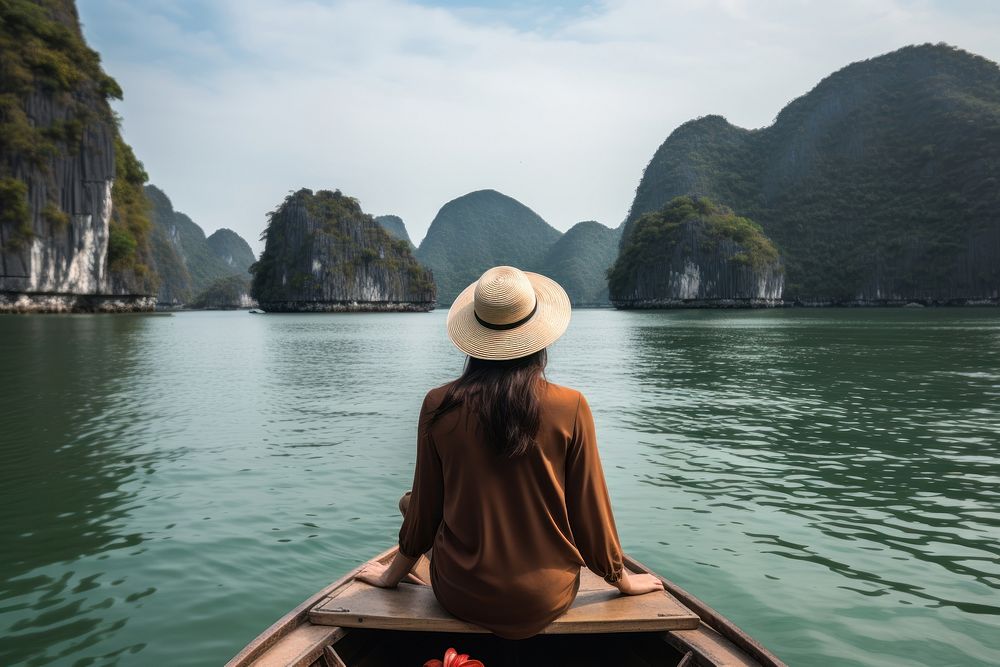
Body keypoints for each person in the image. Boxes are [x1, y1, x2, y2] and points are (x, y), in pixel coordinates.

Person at [357, 265, 662, 639]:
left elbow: (425, 511)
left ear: (474, 336)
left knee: (409, 502)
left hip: (462, 594)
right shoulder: (571, 406)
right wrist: (622, 580)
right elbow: (589, 512)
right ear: (538, 336)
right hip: (546, 597)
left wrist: (390, 577)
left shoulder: (439, 405)